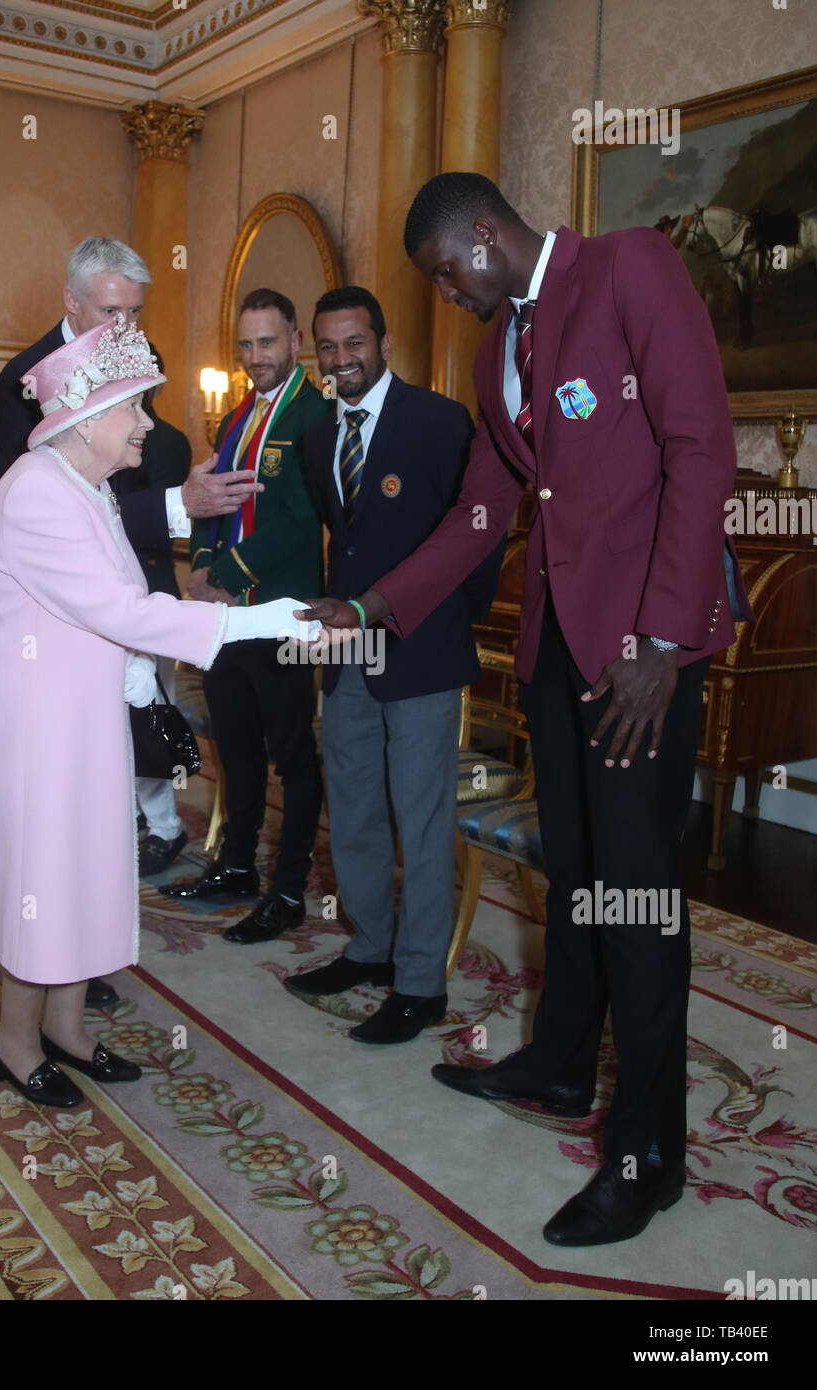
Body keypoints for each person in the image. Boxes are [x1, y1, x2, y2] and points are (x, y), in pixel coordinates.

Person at [301, 173, 753, 1246]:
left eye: (447, 272)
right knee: (575, 873)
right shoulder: (494, 347)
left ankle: (647, 1154)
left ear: (486, 234)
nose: (447, 293)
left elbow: (701, 448)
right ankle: (558, 1063)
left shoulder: (630, 267)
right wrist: (374, 600)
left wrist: (658, 639)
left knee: (637, 899)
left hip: (641, 651)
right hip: (558, 649)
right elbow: (480, 512)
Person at [0, 314, 318, 1107]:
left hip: (83, 722)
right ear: (90, 419)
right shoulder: (36, 496)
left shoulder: (81, 487)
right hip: (42, 734)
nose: (148, 425)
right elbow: (123, 613)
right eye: (136, 409)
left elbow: (129, 596)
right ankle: (14, 1041)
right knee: (44, 882)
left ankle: (65, 1026)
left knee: (88, 871)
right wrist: (254, 620)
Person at [0, 237, 263, 1000]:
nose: (126, 326)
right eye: (113, 310)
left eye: (136, 312)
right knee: (54, 848)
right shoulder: (29, 389)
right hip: (59, 652)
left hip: (124, 631)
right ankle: (49, 988)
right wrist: (179, 508)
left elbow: (113, 490)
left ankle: (77, 985)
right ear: (71, 302)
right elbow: (53, 515)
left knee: (103, 833)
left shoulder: (120, 383)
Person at [285, 286, 503, 1043]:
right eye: (328, 347)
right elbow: (338, 545)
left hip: (424, 654)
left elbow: (476, 540)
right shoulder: (317, 439)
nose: (341, 358)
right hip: (347, 658)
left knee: (422, 817)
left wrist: (449, 624)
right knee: (352, 813)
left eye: (354, 343)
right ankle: (371, 949)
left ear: (382, 344)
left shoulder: (440, 423)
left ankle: (419, 984)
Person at [162, 289, 330, 946]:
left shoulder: (314, 415)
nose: (255, 356)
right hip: (226, 618)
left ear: (294, 341)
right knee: (233, 747)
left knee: (292, 755)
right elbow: (210, 506)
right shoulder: (235, 418)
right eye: (245, 346)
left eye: (266, 342)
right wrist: (203, 570)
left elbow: (302, 522)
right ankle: (234, 866)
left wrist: (226, 575)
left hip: (282, 615)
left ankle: (286, 890)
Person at [116, 347, 193, 877]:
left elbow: (142, 516)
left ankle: (164, 826)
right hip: (101, 594)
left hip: (151, 595)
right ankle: (123, 820)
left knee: (148, 720)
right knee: (107, 723)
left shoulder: (166, 443)